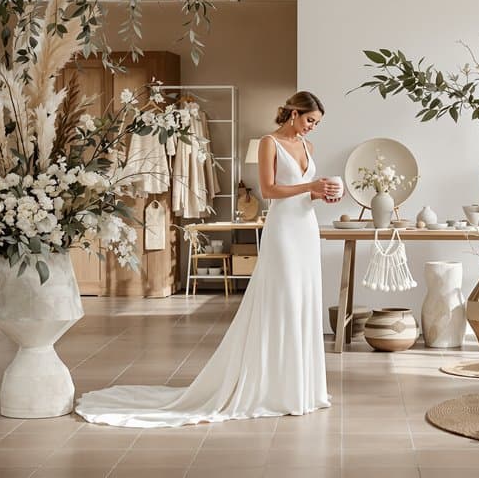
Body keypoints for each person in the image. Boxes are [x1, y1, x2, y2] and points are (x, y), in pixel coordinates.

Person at [75, 91, 341, 428]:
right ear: (293, 113)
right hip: (284, 232)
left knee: (304, 301)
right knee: (284, 301)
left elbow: (304, 189)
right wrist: (310, 187)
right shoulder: (268, 143)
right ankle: (277, 388)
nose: (311, 128)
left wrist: (321, 193)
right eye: (309, 121)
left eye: (316, 124)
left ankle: (303, 387)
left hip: (306, 228)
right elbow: (270, 190)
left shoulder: (308, 148)